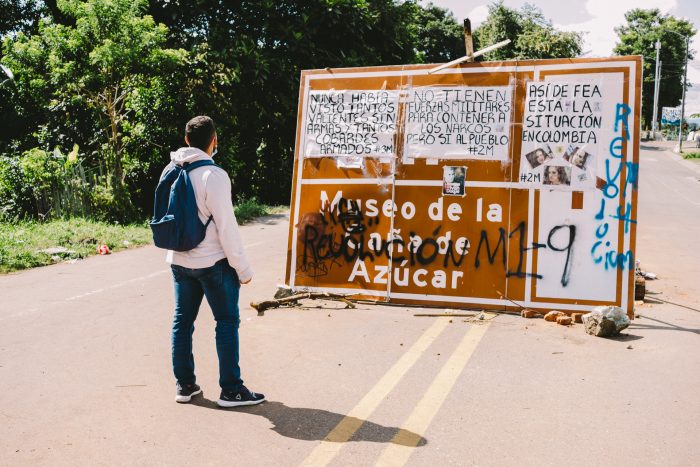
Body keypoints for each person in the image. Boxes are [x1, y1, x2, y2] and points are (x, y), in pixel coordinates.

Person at [163, 115, 264, 407]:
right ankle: (231, 390)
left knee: (182, 322)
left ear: (186, 140)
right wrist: (243, 269)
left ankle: (185, 386)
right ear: (214, 140)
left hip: (179, 261)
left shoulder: (172, 170)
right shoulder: (213, 175)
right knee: (227, 322)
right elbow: (226, 227)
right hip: (213, 264)